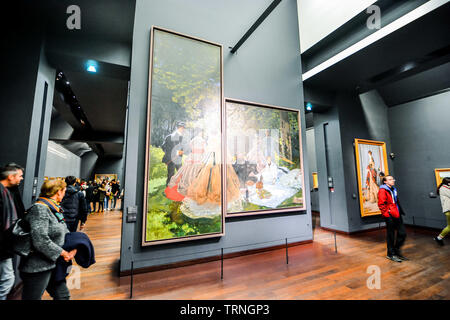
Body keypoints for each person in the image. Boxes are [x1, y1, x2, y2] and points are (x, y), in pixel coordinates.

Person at [19, 179, 76, 300]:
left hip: (53, 264)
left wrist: (74, 245)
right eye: (64, 191)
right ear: (58, 192)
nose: (65, 194)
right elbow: (40, 240)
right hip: (38, 267)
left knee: (63, 296)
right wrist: (63, 253)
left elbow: (63, 229)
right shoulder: (40, 209)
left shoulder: (53, 208)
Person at [0, 163, 24, 300]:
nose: (21, 179)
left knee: (8, 278)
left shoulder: (9, 192)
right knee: (8, 279)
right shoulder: (3, 193)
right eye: (20, 176)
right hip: (3, 246)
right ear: (10, 177)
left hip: (5, 246)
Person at [378, 175, 407, 262]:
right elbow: (381, 204)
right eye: (390, 179)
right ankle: (390, 254)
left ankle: (396, 250)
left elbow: (396, 201)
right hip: (390, 215)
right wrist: (387, 214)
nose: (393, 180)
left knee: (402, 233)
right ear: (385, 182)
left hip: (397, 214)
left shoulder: (393, 189)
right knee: (391, 235)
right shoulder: (382, 190)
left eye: (393, 179)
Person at [161, 121, 190, 186]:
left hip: (176, 158)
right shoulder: (171, 137)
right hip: (172, 159)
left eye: (183, 128)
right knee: (172, 174)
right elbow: (164, 147)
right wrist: (172, 153)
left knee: (179, 173)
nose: (183, 130)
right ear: (179, 128)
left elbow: (184, 149)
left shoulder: (179, 137)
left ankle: (179, 186)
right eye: (182, 128)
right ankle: (169, 188)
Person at [434, 177, 450, 246]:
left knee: (449, 227)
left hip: (448, 210)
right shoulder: (444, 189)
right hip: (449, 210)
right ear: (448, 183)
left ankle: (439, 238)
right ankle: (438, 238)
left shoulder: (444, 188)